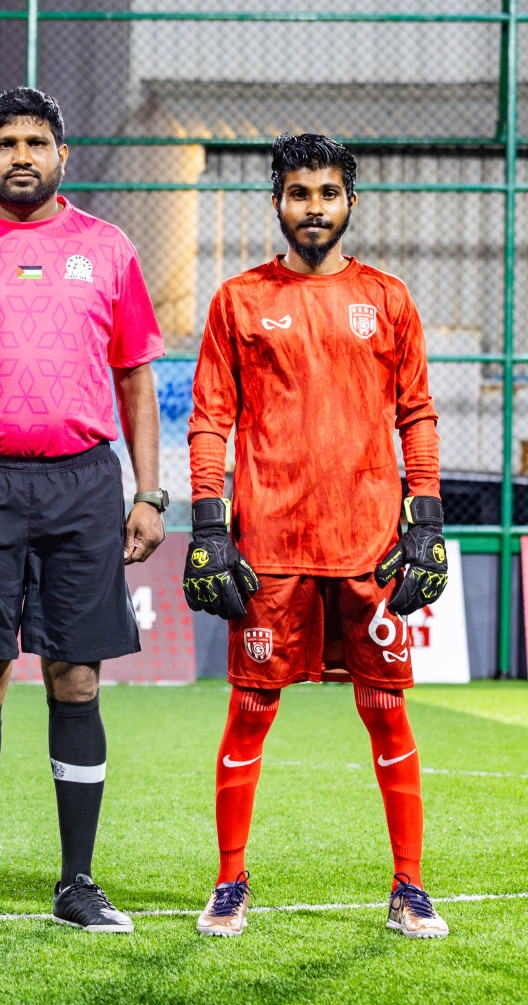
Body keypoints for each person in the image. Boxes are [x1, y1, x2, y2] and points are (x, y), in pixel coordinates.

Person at [0, 87, 166, 935]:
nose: (21, 155)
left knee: (76, 680)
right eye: (5, 142)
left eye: (36, 141)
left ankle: (76, 884)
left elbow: (134, 378)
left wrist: (149, 491)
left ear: (62, 155)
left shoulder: (108, 248)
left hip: (83, 483)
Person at [185, 133, 449, 940]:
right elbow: (211, 420)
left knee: (386, 711)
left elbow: (417, 414)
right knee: (252, 710)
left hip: (369, 547)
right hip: (271, 548)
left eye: (327, 194)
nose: (314, 208)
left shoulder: (390, 299)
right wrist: (207, 523)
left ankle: (409, 887)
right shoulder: (236, 299)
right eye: (299, 194)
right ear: (276, 201)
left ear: (349, 204)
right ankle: (231, 882)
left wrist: (427, 516)